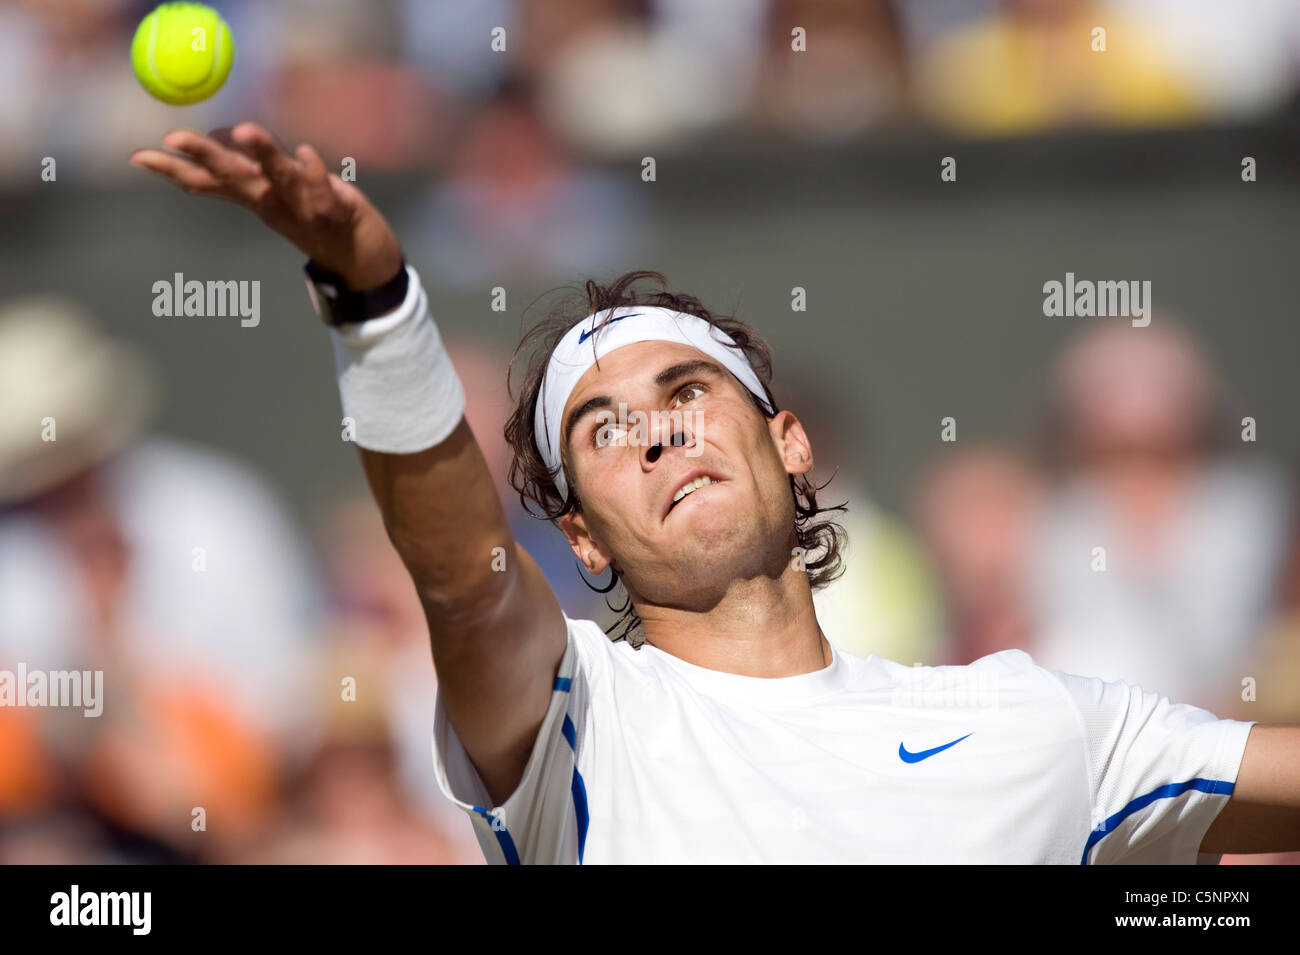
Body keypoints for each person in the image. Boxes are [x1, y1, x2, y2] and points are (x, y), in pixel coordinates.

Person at [129, 121, 1300, 865]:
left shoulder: (1038, 725)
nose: (652, 432)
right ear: (579, 536)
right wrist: (378, 307)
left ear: (788, 443)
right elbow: (468, 589)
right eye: (602, 429)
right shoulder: (578, 721)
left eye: (686, 388)